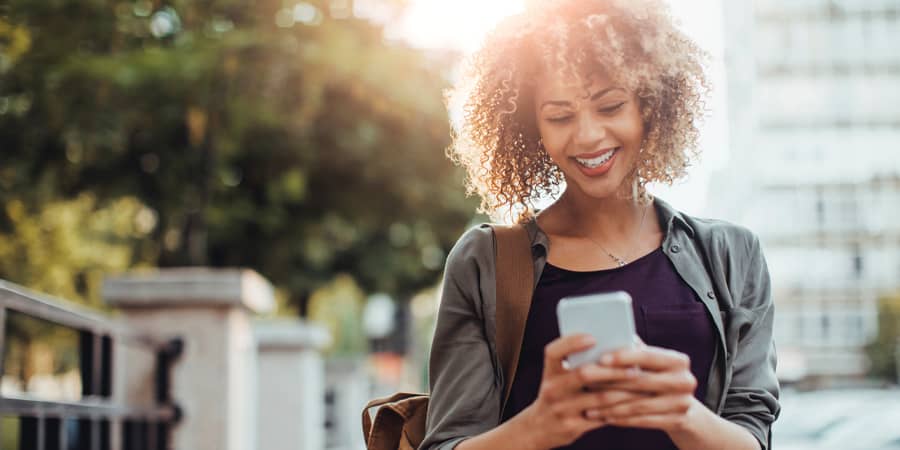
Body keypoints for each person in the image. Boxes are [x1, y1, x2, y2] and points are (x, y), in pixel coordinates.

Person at [420, 1, 780, 449]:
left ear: (650, 105)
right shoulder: (485, 263)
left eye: (610, 106)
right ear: (532, 127)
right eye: (560, 116)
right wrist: (540, 425)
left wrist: (682, 413)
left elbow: (753, 437)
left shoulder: (732, 255)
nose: (588, 136)